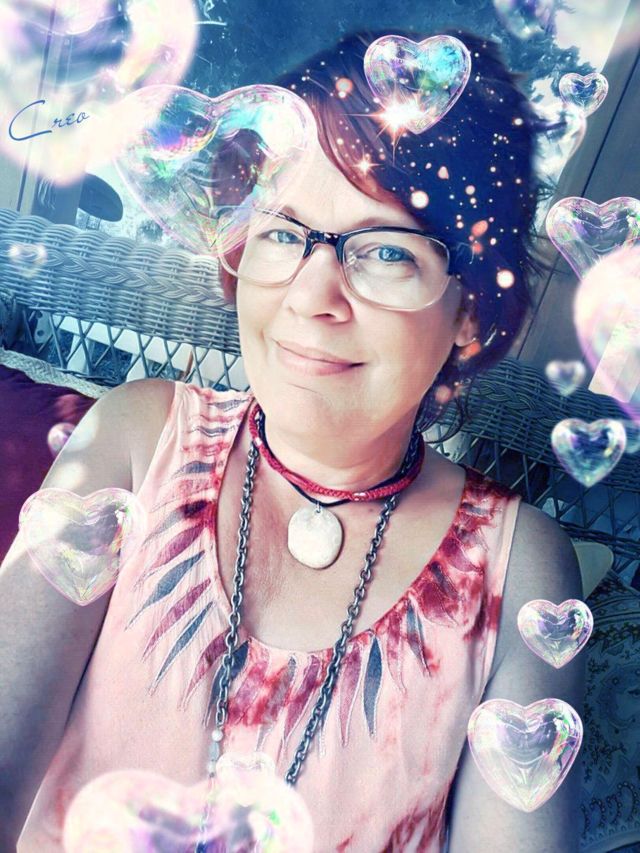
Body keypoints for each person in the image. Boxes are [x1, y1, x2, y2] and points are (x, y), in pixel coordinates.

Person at [1, 28, 585, 852]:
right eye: (281, 230)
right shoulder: (136, 440)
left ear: (469, 311)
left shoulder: (517, 566)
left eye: (386, 251)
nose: (314, 295)